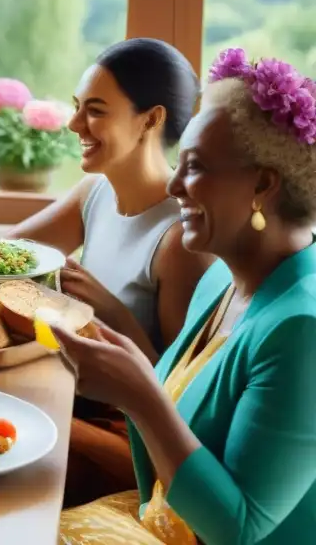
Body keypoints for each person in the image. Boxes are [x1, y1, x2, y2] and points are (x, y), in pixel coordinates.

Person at [0, 39, 215, 504]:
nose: (75, 125)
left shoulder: (178, 239)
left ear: (150, 120)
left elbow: (177, 398)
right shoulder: (94, 191)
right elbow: (1, 254)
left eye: (94, 110)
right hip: (67, 391)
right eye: (76, 107)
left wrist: (109, 310)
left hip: (127, 442)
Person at [57, 48, 316, 544]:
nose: (174, 185)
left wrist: (143, 397)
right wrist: (131, 373)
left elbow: (238, 529)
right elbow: (159, 473)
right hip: (156, 520)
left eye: (194, 167)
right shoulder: (221, 279)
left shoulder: (303, 327)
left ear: (262, 185)